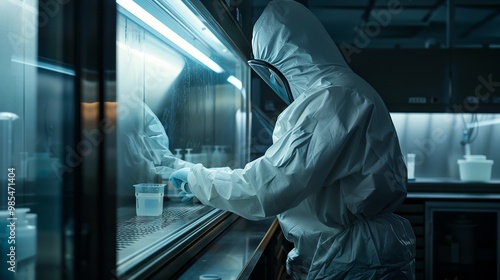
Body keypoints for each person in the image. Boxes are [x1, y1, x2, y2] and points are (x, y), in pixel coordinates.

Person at [170, 0, 416, 278]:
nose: (272, 84)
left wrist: (196, 178)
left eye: (270, 73)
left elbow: (264, 189)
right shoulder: (345, 90)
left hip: (354, 257)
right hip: (360, 252)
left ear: (285, 61)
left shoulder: (333, 99)